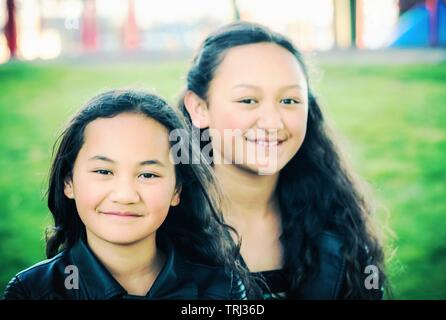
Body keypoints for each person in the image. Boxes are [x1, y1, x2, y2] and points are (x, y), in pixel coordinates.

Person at [180, 22, 387, 299]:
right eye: (248, 100)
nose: (272, 122)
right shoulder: (161, 229)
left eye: (289, 101)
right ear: (199, 108)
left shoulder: (338, 224)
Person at [4, 89, 249, 300]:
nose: (125, 195)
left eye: (148, 175)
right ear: (69, 182)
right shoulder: (31, 291)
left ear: (177, 190)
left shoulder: (221, 288)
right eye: (103, 171)